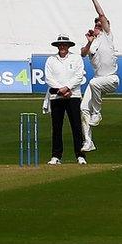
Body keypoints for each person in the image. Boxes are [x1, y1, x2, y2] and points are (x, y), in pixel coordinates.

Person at [80, 0, 118, 156]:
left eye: (100, 24)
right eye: (96, 24)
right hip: (97, 80)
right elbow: (82, 53)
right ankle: (88, 141)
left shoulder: (108, 36)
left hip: (111, 79)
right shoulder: (93, 42)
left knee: (94, 83)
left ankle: (97, 113)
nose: (98, 25)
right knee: (82, 109)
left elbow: (101, 14)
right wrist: (89, 41)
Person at [43, 36, 86, 165]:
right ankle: (56, 156)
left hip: (73, 95)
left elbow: (79, 76)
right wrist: (60, 90)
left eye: (64, 45)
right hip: (56, 97)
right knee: (56, 127)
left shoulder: (76, 58)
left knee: (76, 126)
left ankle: (80, 155)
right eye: (60, 45)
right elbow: (48, 78)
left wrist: (67, 88)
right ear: (57, 46)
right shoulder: (51, 60)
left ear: (68, 46)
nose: (62, 47)